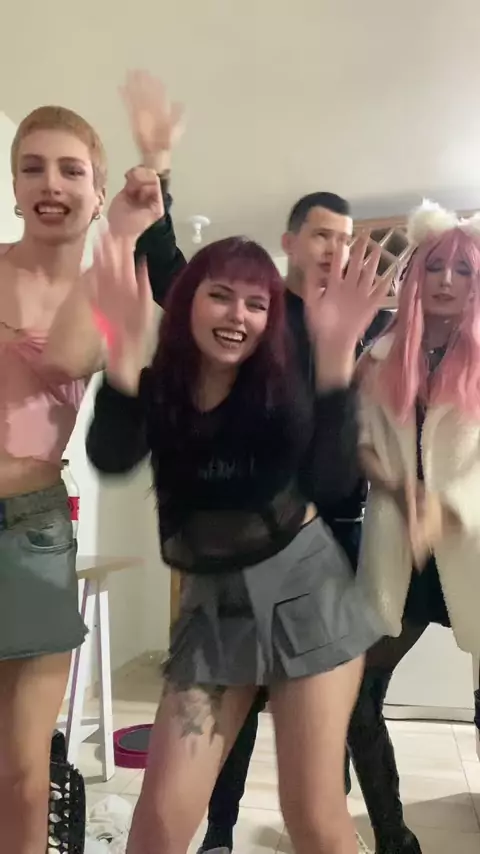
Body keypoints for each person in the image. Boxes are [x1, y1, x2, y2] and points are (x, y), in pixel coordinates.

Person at [85, 227, 388, 854]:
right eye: (220, 296)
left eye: (256, 303)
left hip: (309, 600)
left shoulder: (280, 386)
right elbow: (110, 455)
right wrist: (120, 350)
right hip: (212, 613)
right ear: (188, 300)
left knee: (313, 817)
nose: (238, 316)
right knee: (157, 826)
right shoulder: (164, 388)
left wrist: (336, 357)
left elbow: (333, 483)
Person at [0, 92, 182, 854]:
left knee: (23, 773)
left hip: (33, 529)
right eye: (32, 167)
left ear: (98, 192)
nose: (51, 183)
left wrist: (130, 230)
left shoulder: (112, 294)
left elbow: (67, 358)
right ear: (14, 187)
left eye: (72, 171)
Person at [348, 200, 480, 854]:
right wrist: (401, 490)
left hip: (471, 546)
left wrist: (448, 507)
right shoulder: (379, 356)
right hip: (398, 544)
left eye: (463, 269)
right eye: (434, 267)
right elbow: (359, 444)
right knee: (356, 692)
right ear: (415, 275)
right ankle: (392, 837)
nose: (447, 281)